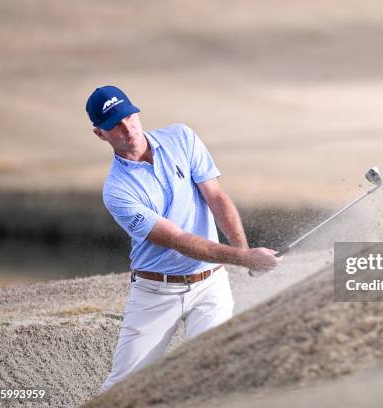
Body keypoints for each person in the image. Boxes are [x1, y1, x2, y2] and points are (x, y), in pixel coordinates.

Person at [85, 85, 281, 391]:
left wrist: (242, 250)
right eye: (115, 125)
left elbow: (215, 197)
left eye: (128, 117)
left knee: (215, 368)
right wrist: (244, 258)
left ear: (136, 112)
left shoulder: (181, 138)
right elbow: (177, 238)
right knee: (124, 386)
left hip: (210, 284)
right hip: (156, 291)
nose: (127, 129)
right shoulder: (117, 191)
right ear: (100, 134)